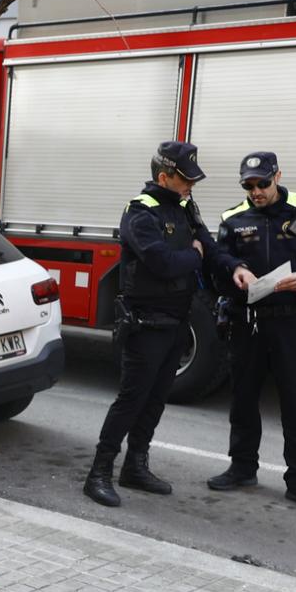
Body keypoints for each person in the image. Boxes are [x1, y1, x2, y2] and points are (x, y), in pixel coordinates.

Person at [83, 140, 217, 509]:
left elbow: (208, 248)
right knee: (131, 400)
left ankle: (136, 466)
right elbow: (162, 262)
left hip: (176, 321)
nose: (192, 186)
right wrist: (192, 255)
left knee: (156, 400)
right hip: (146, 325)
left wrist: (232, 267)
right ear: (164, 176)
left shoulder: (186, 208)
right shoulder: (141, 213)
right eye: (186, 179)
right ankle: (98, 472)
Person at [206, 151, 296, 512]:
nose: (256, 192)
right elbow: (217, 261)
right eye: (249, 186)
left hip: (292, 321)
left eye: (262, 184)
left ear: (278, 176)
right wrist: (234, 267)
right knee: (243, 399)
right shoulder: (234, 218)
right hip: (247, 320)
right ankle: (241, 467)